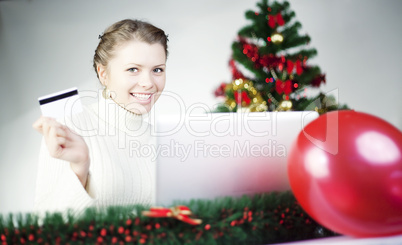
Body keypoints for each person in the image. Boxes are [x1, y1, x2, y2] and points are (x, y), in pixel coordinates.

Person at [32, 19, 168, 215]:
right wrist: (80, 167)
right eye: (133, 69)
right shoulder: (69, 124)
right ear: (103, 73)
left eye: (157, 70)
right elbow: (44, 225)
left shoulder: (161, 140)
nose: (148, 83)